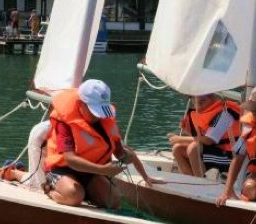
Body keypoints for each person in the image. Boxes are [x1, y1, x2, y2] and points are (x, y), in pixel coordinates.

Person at [43, 79, 165, 208]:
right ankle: (49, 189)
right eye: (94, 111)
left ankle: (86, 193)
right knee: (74, 196)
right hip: (63, 170)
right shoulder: (65, 123)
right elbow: (71, 159)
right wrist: (103, 170)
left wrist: (144, 175)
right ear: (81, 104)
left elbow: (122, 153)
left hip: (91, 172)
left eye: (102, 111)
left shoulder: (106, 120)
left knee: (114, 201)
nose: (99, 117)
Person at [168, 94, 241, 177]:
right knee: (177, 148)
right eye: (195, 101)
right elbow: (200, 138)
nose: (198, 103)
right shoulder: (200, 114)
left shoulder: (224, 114)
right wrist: (186, 130)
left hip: (231, 157)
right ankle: (191, 180)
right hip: (215, 151)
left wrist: (180, 139)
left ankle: (200, 183)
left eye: (203, 101)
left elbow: (209, 140)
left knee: (193, 147)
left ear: (213, 99)